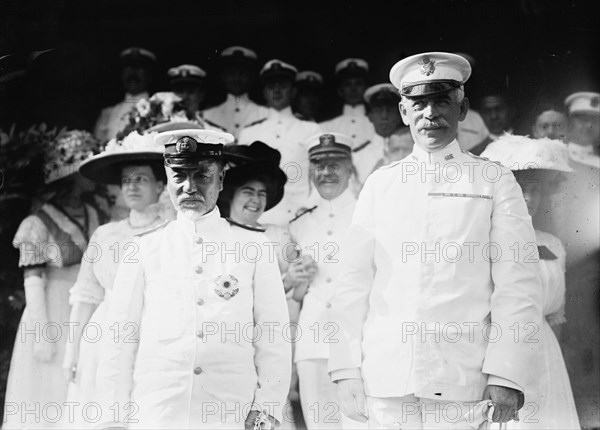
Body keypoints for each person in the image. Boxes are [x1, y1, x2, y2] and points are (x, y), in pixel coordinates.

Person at [328, 52, 543, 429]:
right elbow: (352, 284)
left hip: (463, 380)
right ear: (403, 111)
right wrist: (345, 368)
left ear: (463, 109)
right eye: (418, 103)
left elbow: (518, 284)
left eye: (442, 100)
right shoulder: (381, 184)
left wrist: (506, 374)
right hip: (386, 382)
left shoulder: (493, 181)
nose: (430, 113)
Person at [95, 126, 291, 429]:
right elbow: (120, 339)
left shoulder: (253, 247)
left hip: (230, 411)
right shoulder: (143, 248)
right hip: (157, 410)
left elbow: (273, 334)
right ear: (167, 181)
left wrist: (267, 407)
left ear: (221, 179)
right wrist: (112, 418)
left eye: (202, 175)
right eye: (179, 176)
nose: (189, 186)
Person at [60, 130, 168, 428]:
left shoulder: (171, 232)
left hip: (154, 328)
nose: (132, 186)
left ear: (160, 185)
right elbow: (85, 297)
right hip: (107, 332)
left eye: (141, 179)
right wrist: (72, 352)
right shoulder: (106, 235)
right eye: (127, 180)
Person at [2, 130, 101, 429]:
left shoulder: (93, 214)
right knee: (44, 390)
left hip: (84, 308)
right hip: (49, 309)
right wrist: (42, 332)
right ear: (71, 173)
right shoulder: (36, 222)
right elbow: (33, 279)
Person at [481, 134, 580, 429]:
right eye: (520, 189)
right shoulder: (488, 243)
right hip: (502, 355)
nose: (528, 198)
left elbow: (555, 317)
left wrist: (554, 363)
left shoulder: (554, 245)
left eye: (535, 190)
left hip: (546, 357)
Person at [217, 141, 301, 428]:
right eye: (248, 192)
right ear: (231, 194)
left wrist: (298, 276)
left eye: (262, 193)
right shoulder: (218, 235)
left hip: (269, 335)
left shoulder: (277, 235)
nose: (255, 200)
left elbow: (299, 286)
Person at [289, 133, 358, 430]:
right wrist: (297, 278)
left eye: (335, 164)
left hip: (358, 342)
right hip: (313, 343)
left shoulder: (369, 214)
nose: (327, 171)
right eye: (318, 164)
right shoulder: (299, 223)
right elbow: (297, 293)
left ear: (350, 168)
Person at [238, 59, 322, 227]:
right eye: (271, 85)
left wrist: (309, 208)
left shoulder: (311, 129)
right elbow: (240, 180)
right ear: (264, 92)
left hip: (300, 217)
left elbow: (320, 176)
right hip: (258, 218)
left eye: (282, 85)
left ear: (293, 91)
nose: (277, 90)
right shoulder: (249, 133)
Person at [202, 46, 269, 138]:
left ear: (251, 77)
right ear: (223, 76)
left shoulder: (265, 114)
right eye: (232, 73)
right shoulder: (207, 116)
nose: (237, 78)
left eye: (242, 73)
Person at [94, 47, 156, 143]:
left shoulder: (160, 109)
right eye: (128, 68)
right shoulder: (108, 114)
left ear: (149, 75)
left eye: (139, 68)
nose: (133, 74)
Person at [353, 83, 405, 185]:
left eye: (390, 110)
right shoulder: (357, 156)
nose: (384, 116)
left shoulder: (413, 151)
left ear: (400, 115)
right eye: (378, 111)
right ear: (370, 116)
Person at [320, 58, 374, 149]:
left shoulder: (377, 125)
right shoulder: (325, 128)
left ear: (366, 89)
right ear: (340, 91)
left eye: (358, 83)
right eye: (347, 84)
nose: (353, 89)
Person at [564, 91, 600, 168]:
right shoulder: (554, 157)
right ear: (570, 121)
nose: (589, 125)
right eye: (583, 119)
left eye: (595, 120)